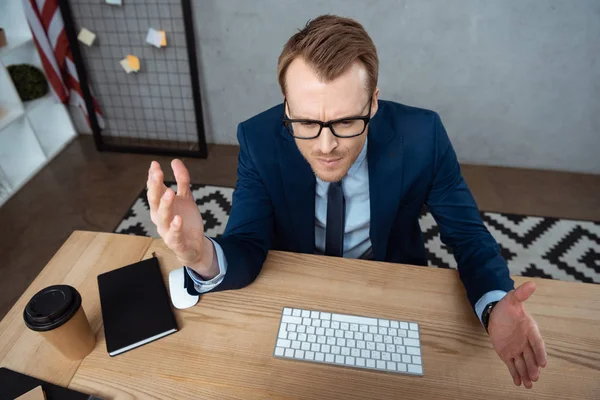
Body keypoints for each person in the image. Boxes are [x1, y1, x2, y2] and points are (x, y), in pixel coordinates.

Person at [146, 15, 546, 388]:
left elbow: (469, 237)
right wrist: (200, 256)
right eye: (305, 123)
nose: (326, 146)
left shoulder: (424, 136)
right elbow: (247, 243)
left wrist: (494, 306)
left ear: (373, 102)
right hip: (296, 285)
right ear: (286, 106)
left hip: (390, 282)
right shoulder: (259, 139)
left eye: (346, 122)